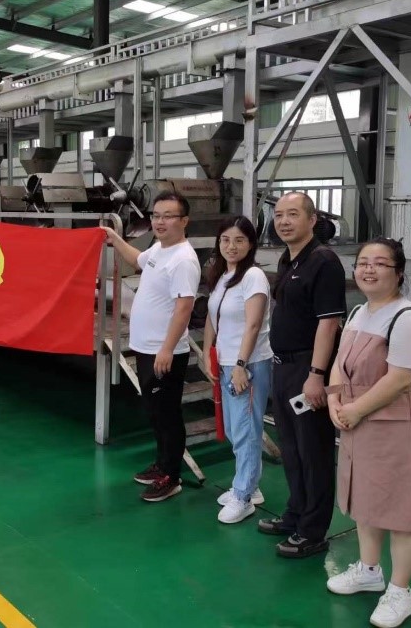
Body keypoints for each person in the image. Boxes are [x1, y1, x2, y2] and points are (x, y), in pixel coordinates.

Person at [325, 238, 411, 628]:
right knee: (366, 500)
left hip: (394, 425)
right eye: (363, 262)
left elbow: (400, 378)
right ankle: (369, 571)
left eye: (380, 263)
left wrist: (354, 409)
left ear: (398, 273)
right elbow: (339, 362)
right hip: (357, 421)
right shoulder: (358, 312)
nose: (368, 269)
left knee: (401, 511)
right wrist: (335, 400)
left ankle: (401, 591)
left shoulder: (407, 318)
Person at [258, 192, 346, 558]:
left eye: (293, 214)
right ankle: (295, 513)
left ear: (312, 220)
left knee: (314, 451)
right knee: (292, 449)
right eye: (279, 215)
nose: (283, 221)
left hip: (307, 368)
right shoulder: (288, 257)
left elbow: (329, 323)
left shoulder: (323, 261)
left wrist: (316, 374)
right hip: (283, 367)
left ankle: (312, 531)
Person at [103, 191, 200, 502]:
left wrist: (167, 349)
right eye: (156, 215)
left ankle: (172, 476)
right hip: (147, 348)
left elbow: (184, 308)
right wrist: (114, 238)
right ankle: (162, 464)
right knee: (156, 412)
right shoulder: (160, 249)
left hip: (163, 352)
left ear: (184, 221)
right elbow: (137, 260)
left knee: (167, 414)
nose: (160, 221)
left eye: (168, 216)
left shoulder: (184, 259)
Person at [202, 216, 273, 524]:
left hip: (248, 363)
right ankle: (250, 486)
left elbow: (253, 324)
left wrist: (241, 365)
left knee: (245, 430)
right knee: (234, 429)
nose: (231, 246)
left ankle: (243, 496)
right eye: (225, 240)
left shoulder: (253, 276)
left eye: (239, 240)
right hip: (226, 361)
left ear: (251, 244)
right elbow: (212, 316)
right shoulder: (223, 276)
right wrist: (208, 352)